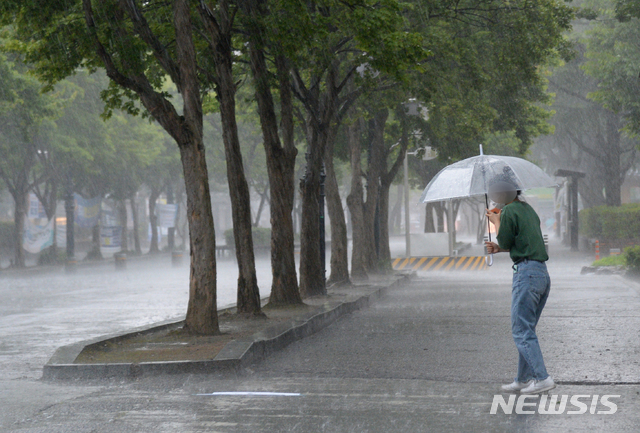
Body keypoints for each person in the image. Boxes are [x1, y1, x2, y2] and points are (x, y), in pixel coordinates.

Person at [485, 178, 555, 395]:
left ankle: (542, 378)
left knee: (521, 330)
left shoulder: (508, 211)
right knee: (527, 329)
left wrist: (496, 221)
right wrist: (499, 249)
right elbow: (525, 242)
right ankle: (523, 379)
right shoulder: (527, 209)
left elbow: (506, 241)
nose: (493, 196)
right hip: (541, 273)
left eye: (495, 192)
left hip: (526, 274)